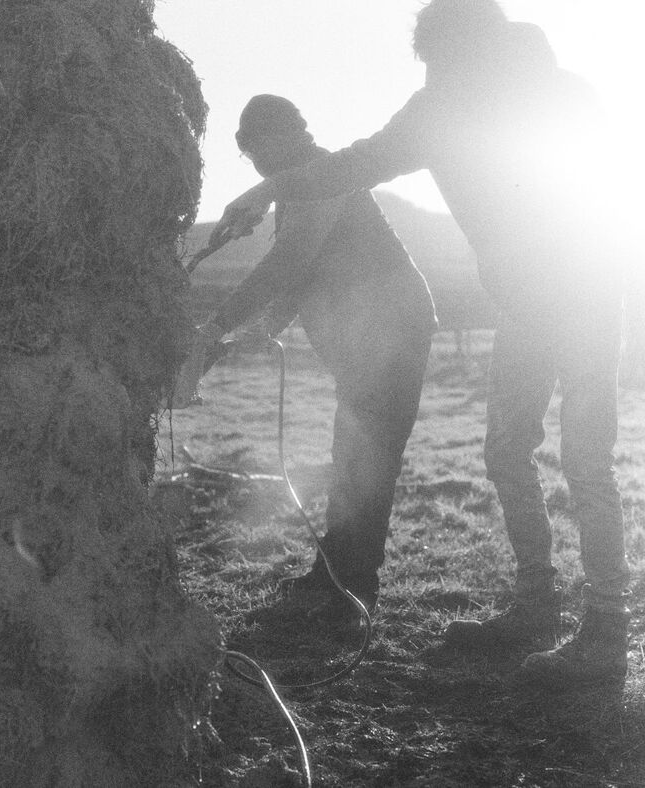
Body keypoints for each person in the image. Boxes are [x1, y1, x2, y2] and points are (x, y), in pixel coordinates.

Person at [210, 1, 631, 685]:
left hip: (585, 288)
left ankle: (606, 634)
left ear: (481, 48)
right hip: (523, 304)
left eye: (446, 61)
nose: (438, 76)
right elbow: (357, 162)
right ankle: (534, 604)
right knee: (504, 451)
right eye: (431, 66)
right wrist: (272, 187)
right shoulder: (435, 108)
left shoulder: (563, 94)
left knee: (585, 458)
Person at [190, 94, 437, 621]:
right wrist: (260, 327)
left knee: (367, 459)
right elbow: (301, 274)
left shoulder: (321, 176)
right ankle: (334, 576)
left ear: (283, 137)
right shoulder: (298, 186)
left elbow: (290, 263)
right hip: (364, 336)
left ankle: (351, 590)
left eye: (256, 150)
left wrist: (215, 326)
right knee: (350, 452)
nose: (255, 164)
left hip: (391, 329)